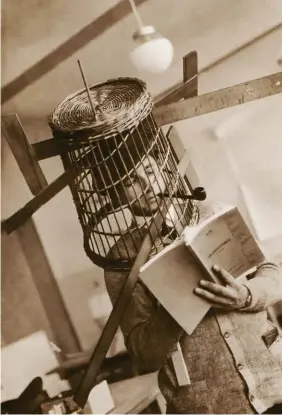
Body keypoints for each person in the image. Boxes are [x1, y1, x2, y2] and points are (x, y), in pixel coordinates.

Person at [104, 153, 282, 414]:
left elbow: (272, 274)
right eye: (132, 181)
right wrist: (175, 308)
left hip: (273, 382)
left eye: (151, 173)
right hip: (209, 405)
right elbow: (145, 355)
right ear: (117, 193)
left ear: (164, 171)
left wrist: (245, 295)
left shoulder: (215, 213)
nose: (148, 187)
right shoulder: (121, 260)